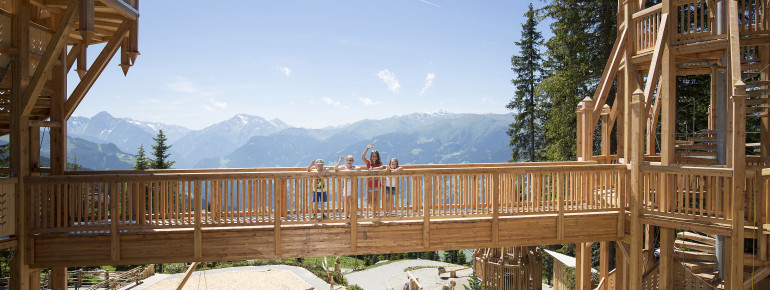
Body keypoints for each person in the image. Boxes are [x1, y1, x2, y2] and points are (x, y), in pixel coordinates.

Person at [361, 144, 388, 216]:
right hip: (369, 184)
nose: (374, 157)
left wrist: (372, 169)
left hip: (376, 184)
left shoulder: (379, 163)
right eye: (373, 156)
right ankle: (373, 210)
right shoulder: (368, 162)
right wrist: (367, 149)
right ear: (371, 156)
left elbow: (381, 167)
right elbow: (363, 157)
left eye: (375, 156)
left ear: (377, 157)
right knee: (369, 200)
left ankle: (374, 213)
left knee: (376, 199)